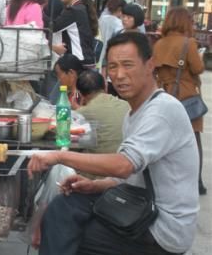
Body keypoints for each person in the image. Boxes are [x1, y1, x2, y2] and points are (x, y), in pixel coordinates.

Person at [28, 32, 199, 255]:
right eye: (113, 67)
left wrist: (59, 156)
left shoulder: (163, 110)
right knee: (63, 207)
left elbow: (124, 165)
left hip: (163, 227)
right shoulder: (133, 114)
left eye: (128, 65)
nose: (119, 75)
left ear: (150, 65)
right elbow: (130, 177)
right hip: (139, 204)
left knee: (67, 231)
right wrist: (95, 185)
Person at [153, 7, 207, 195]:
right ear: (185, 23)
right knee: (194, 139)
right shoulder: (188, 43)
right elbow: (199, 68)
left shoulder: (159, 44)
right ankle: (196, 181)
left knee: (169, 139)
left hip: (165, 94)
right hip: (187, 95)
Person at [75, 69, 130, 178]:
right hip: (128, 173)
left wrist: (78, 110)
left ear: (80, 94)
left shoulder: (81, 113)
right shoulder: (127, 105)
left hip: (99, 177)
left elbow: (67, 142)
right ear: (105, 86)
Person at [52, 0, 98, 68]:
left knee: (61, 82)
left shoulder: (73, 11)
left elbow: (53, 27)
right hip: (86, 62)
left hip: (78, 65)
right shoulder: (82, 7)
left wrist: (39, 11)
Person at [98, 0, 125, 70]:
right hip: (111, 57)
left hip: (98, 54)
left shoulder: (101, 19)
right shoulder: (119, 24)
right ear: (120, 9)